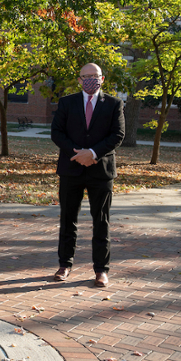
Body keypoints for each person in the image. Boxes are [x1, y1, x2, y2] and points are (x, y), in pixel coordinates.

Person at [51, 63, 125, 287]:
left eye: (96, 76)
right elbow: (57, 132)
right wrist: (78, 154)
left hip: (100, 170)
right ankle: (65, 265)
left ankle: (101, 270)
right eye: (87, 76)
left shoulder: (114, 103)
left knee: (101, 220)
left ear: (102, 79)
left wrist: (92, 153)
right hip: (71, 169)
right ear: (79, 80)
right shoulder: (66, 102)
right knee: (68, 219)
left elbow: (118, 134)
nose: (91, 79)